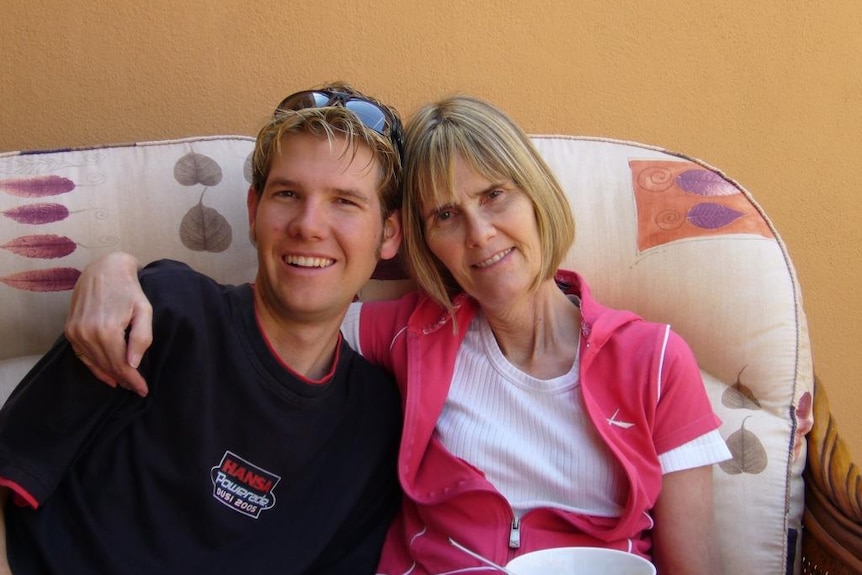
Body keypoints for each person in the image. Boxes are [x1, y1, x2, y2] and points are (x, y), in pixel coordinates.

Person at [65, 95, 731, 574]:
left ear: (536, 197)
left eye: (495, 196)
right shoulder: (412, 333)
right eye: (446, 214)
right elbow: (272, 310)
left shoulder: (654, 359)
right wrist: (119, 270)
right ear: (416, 241)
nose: (479, 234)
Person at [0, 84, 406, 575]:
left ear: (389, 234)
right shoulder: (159, 313)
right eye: (287, 194)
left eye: (345, 201)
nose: (309, 225)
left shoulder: (377, 424)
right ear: (255, 212)